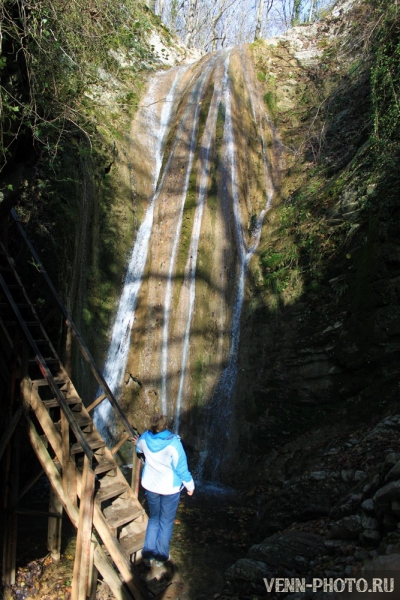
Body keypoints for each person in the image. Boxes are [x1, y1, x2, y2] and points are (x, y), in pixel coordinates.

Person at [132, 414, 194, 568]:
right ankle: (160, 556)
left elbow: (138, 447)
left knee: (154, 519)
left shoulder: (145, 438)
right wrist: (190, 486)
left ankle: (148, 553)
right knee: (165, 522)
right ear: (165, 426)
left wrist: (136, 443)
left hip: (151, 485)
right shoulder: (174, 443)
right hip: (169, 488)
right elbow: (182, 469)